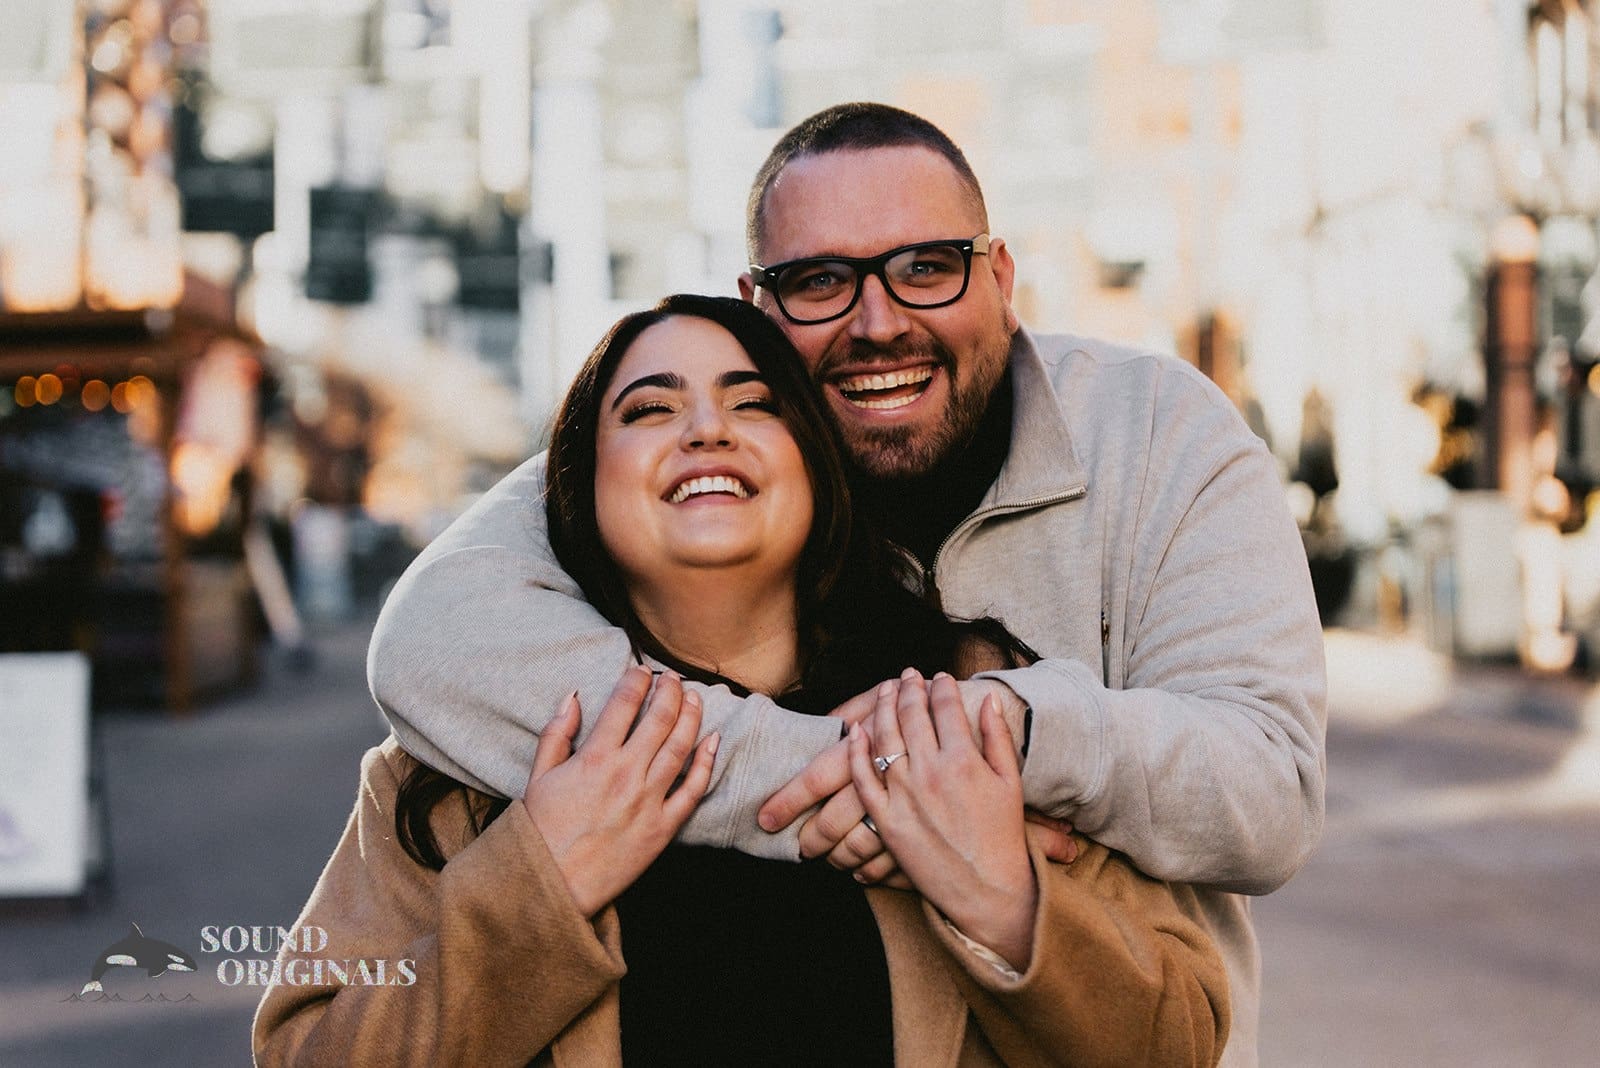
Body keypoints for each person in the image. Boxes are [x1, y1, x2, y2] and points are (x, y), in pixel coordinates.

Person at [367, 104, 1326, 1066]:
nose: (879, 323)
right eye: (820, 281)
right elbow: (430, 637)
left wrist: (1001, 735)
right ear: (758, 309)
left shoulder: (1157, 432)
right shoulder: (690, 454)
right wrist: (863, 774)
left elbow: (1269, 796)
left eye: (927, 267)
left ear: (1000, 279)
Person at [253, 295, 1230, 1066]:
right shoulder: (459, 768)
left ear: (820, 467)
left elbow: (1180, 1040)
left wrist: (1007, 906)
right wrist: (536, 892)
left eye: (755, 402)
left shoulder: (964, 709)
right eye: (650, 409)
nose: (706, 428)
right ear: (577, 492)